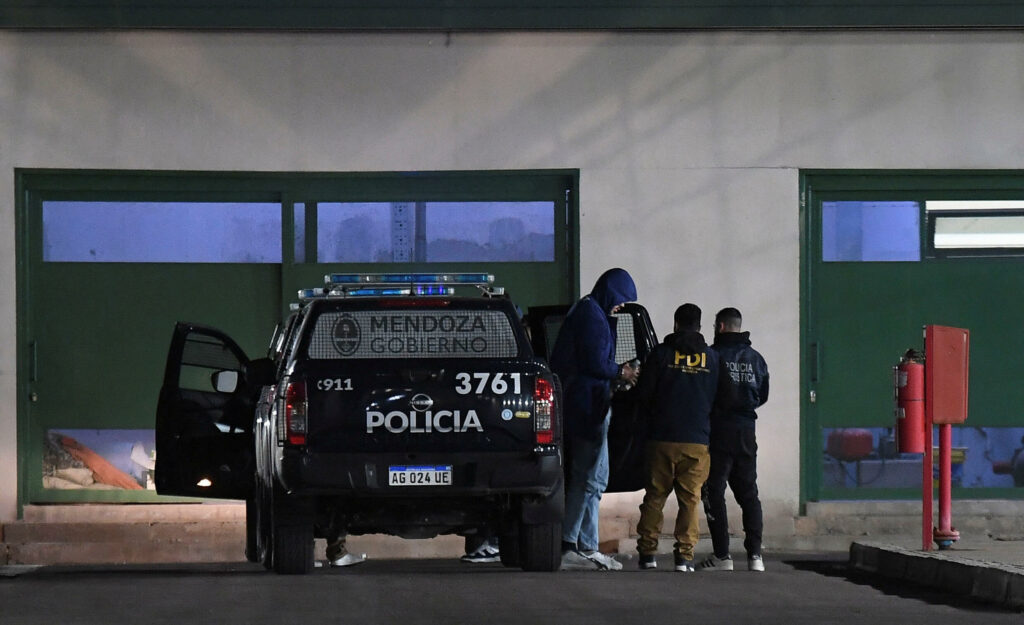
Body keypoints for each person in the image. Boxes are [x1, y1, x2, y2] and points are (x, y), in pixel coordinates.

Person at [549, 268, 638, 571]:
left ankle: (586, 546)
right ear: (610, 292)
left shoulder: (592, 312)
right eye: (621, 300)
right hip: (586, 409)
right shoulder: (591, 315)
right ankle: (569, 544)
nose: (621, 307)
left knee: (595, 481)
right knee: (587, 478)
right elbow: (594, 361)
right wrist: (620, 372)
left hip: (592, 406)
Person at [634, 303, 721, 572]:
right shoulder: (712, 357)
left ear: (675, 324)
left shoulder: (660, 354)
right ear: (700, 325)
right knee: (690, 499)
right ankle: (684, 558)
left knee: (655, 496)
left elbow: (644, 394)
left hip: (661, 437)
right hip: (696, 439)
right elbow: (718, 396)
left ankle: (648, 554)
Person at [699, 307, 769, 573]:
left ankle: (722, 556)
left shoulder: (713, 356)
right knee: (749, 493)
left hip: (719, 430)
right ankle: (755, 556)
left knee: (714, 491)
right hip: (746, 431)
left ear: (720, 327)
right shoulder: (757, 359)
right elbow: (762, 394)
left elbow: (704, 391)